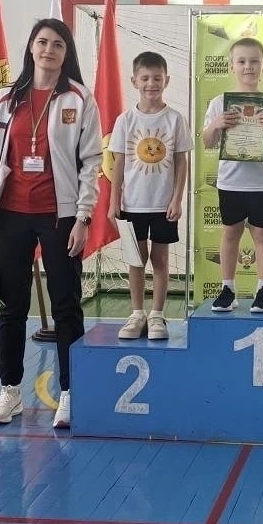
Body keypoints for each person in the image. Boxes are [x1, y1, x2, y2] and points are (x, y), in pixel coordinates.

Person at [0, 18, 102, 429]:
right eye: (42, 42)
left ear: (67, 53)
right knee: (11, 306)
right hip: (9, 215)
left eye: (58, 44)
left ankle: (70, 392)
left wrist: (82, 217)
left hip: (59, 216)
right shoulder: (6, 98)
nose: (49, 50)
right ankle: (9, 391)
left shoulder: (79, 98)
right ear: (31, 47)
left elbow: (92, 162)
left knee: (65, 304)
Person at [107, 51, 193, 340]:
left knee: (161, 261)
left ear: (166, 81)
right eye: (145, 78)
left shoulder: (175, 119)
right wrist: (113, 202)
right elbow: (118, 163)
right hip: (132, 204)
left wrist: (177, 198)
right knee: (136, 261)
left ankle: (157, 315)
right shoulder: (125, 120)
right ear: (134, 81)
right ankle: (137, 313)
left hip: (163, 205)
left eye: (157, 78)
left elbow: (181, 162)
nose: (151, 84)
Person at [201, 36, 263, 313]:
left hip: (262, 182)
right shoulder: (220, 103)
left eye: (254, 61)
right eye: (241, 61)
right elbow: (207, 142)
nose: (248, 67)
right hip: (231, 181)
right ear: (232, 66)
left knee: (262, 235)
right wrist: (216, 124)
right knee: (231, 233)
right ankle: (228, 288)